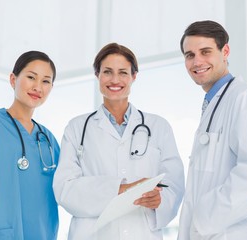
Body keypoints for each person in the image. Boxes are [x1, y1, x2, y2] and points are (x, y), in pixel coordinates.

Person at [53, 42, 185, 239]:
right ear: (97, 75)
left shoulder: (158, 126)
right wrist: (123, 189)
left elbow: (174, 183)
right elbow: (65, 189)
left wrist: (160, 200)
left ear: (133, 76)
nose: (115, 79)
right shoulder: (77, 128)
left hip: (141, 232)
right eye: (107, 71)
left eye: (123, 72)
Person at [177, 20, 247, 239]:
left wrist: (204, 217)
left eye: (205, 51)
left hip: (231, 232)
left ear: (225, 51)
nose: (197, 61)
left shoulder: (244, 99)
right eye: (189, 55)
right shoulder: (213, 104)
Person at [0, 51, 60, 239]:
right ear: (13, 79)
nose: (38, 87)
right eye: (31, 77)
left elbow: (67, 191)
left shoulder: (49, 141)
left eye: (46, 81)